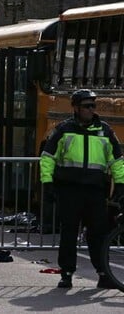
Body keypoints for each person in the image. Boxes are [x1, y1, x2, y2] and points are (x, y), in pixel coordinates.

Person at [40, 89, 124, 289]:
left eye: (93, 106)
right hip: (69, 190)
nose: (91, 109)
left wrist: (120, 184)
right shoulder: (64, 129)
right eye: (87, 106)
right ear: (76, 108)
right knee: (69, 233)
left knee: (98, 233)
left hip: (95, 191)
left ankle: (103, 274)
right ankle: (66, 274)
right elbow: (47, 158)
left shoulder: (105, 131)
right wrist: (47, 183)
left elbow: (117, 161)